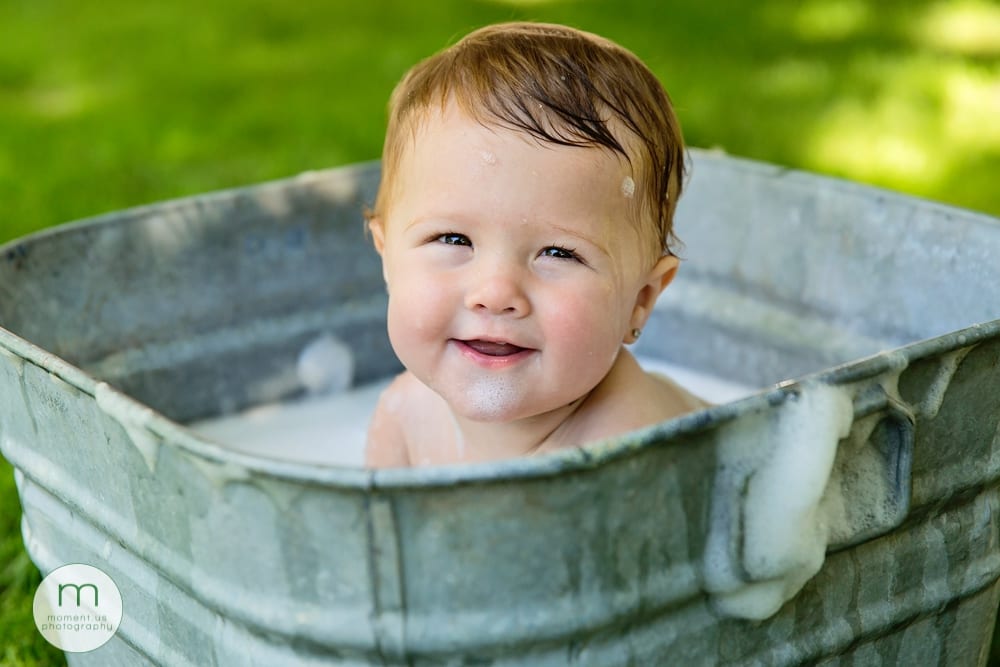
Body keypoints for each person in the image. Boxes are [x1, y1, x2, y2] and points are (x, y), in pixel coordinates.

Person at [364, 21, 706, 467]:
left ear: (640, 300)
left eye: (558, 253)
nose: (496, 294)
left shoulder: (632, 451)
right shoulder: (405, 413)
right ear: (387, 259)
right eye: (454, 239)